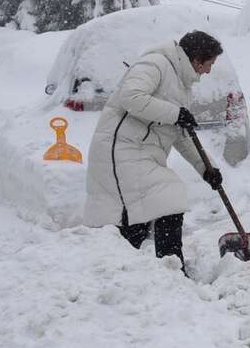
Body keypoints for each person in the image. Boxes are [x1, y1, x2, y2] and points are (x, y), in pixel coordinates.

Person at [84, 31, 225, 273]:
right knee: (163, 199)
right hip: (119, 149)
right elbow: (131, 97)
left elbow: (181, 134)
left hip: (140, 154)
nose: (209, 71)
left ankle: (136, 272)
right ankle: (169, 269)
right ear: (196, 59)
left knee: (139, 216)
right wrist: (174, 113)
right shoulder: (156, 63)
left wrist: (207, 168)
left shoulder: (182, 86)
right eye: (210, 63)